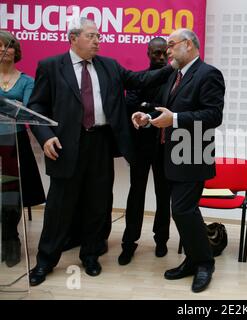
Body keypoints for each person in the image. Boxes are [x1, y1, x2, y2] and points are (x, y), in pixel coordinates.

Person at [26, 17, 174, 286]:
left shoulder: (109, 66)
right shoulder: (50, 67)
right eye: (91, 36)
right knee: (59, 206)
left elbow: (141, 78)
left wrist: (173, 66)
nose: (97, 41)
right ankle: (45, 261)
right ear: (73, 38)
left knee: (98, 203)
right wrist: (45, 136)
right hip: (65, 145)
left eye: (98, 36)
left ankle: (91, 255)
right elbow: (36, 107)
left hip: (101, 143)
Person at [132, 28, 225, 293]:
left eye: (172, 45)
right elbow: (165, 110)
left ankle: (205, 263)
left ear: (188, 44)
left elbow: (212, 115)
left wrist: (173, 119)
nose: (168, 51)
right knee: (184, 211)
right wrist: (147, 118)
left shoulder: (209, 74)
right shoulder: (175, 75)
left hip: (194, 153)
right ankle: (193, 260)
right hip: (172, 154)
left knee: (183, 210)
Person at [118, 37, 171, 265]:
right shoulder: (139, 78)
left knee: (163, 196)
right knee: (136, 195)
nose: (159, 58)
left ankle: (161, 240)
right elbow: (131, 105)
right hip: (141, 147)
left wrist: (146, 106)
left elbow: (172, 108)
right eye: (155, 53)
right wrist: (152, 107)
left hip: (164, 147)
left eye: (163, 54)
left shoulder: (173, 79)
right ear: (148, 53)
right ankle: (129, 243)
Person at [0, 30, 46, 268]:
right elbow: (14, 108)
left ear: (15, 51)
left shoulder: (28, 81)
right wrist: (11, 107)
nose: (2, 50)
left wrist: (12, 109)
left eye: (7, 46)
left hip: (14, 143)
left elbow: (27, 112)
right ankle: (5, 239)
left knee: (11, 195)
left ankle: (12, 240)